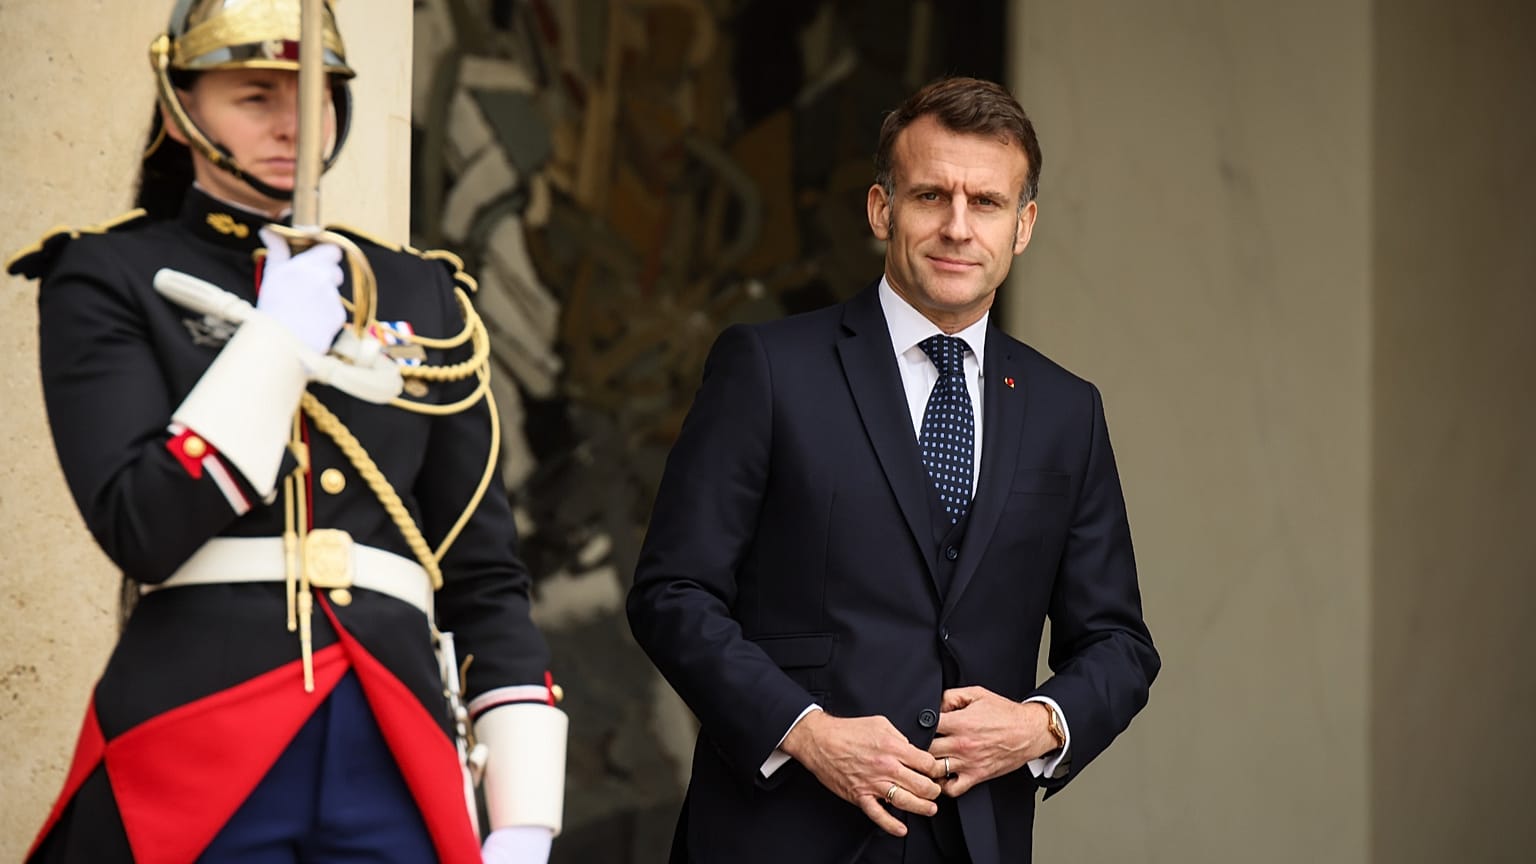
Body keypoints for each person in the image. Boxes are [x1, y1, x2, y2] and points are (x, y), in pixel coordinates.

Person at [7, 2, 565, 862]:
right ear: (178, 108)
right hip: (200, 730)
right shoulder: (110, 275)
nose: (294, 124)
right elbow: (142, 527)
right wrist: (272, 348)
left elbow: (481, 573)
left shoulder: (421, 297)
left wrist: (524, 813)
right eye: (255, 95)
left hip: (396, 741)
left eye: (316, 95)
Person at [626, 76, 1160, 864]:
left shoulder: (1066, 411)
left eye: (986, 202)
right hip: (780, 834)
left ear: (1024, 225)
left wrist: (1038, 724)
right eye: (930, 196)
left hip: (975, 842)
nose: (957, 227)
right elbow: (673, 594)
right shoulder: (769, 369)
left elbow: (1118, 641)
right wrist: (807, 733)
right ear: (882, 209)